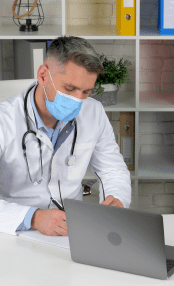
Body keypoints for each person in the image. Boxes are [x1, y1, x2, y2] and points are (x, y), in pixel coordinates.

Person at [0, 36, 131, 236]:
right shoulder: (4, 120)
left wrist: (116, 199)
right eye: (69, 89)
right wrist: (33, 217)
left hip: (72, 230)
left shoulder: (93, 112)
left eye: (86, 91)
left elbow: (112, 170)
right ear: (43, 75)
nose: (78, 100)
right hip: (15, 230)